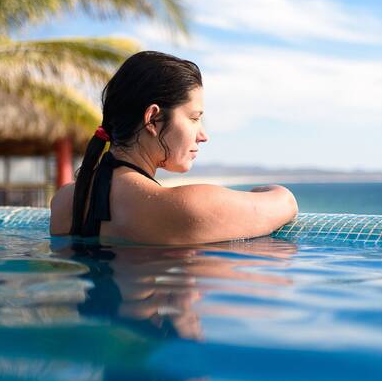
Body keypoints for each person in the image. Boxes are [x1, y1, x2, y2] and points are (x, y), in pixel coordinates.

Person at [49, 51, 298, 243]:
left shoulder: (64, 201)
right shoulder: (185, 207)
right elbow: (285, 202)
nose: (203, 135)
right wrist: (263, 188)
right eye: (193, 117)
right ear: (153, 119)